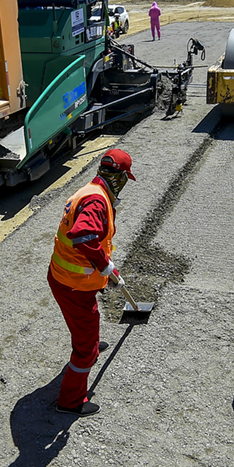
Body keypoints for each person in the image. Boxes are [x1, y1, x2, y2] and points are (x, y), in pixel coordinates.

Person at [48, 149, 136, 416]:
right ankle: (70, 401)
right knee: (84, 349)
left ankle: (93, 344)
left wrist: (104, 272)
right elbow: (84, 236)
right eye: (124, 179)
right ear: (119, 177)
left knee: (88, 327)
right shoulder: (97, 202)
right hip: (73, 284)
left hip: (65, 278)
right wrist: (104, 265)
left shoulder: (91, 191)